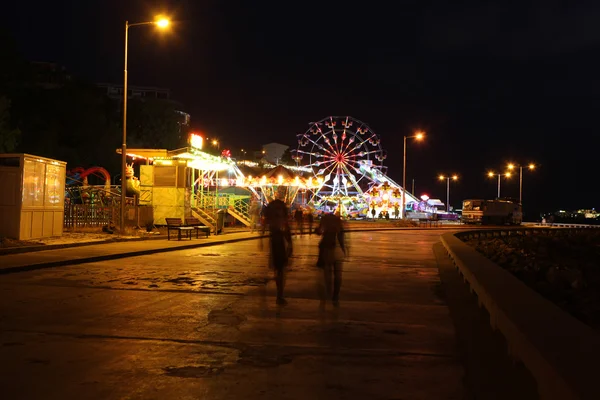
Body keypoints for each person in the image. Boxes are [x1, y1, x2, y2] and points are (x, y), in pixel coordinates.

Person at [262, 197, 293, 305]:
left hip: (274, 242)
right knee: (281, 270)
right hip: (280, 242)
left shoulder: (270, 217)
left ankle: (279, 292)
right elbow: (286, 229)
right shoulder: (281, 217)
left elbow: (265, 225)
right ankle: (280, 294)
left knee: (278, 269)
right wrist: (290, 243)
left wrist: (261, 238)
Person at [316, 212, 346, 307]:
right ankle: (335, 295)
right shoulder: (338, 225)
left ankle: (328, 292)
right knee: (337, 275)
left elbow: (319, 231)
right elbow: (342, 238)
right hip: (337, 251)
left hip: (327, 250)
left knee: (327, 273)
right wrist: (344, 249)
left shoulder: (325, 224)